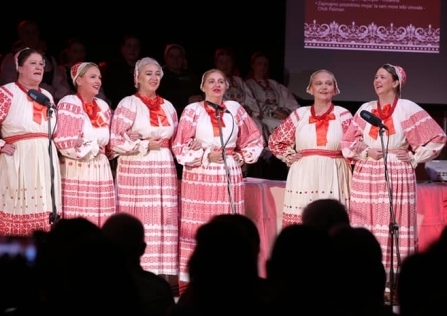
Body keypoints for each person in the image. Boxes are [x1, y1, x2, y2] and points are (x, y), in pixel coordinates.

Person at [341, 63, 446, 277]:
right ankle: (365, 275)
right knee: (365, 222)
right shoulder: (366, 109)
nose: (377, 81)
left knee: (393, 221)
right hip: (367, 170)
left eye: (382, 77)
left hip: (397, 170)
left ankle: (394, 278)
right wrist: (363, 152)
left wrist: (415, 156)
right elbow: (347, 142)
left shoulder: (407, 107)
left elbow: (437, 137)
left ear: (396, 82)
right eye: (376, 77)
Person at [171, 69, 264, 287]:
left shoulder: (235, 109)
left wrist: (241, 156)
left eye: (221, 81)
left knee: (227, 223)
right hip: (200, 172)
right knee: (200, 224)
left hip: (228, 172)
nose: (216, 85)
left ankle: (229, 274)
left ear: (227, 86)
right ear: (202, 87)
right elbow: (179, 146)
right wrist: (204, 154)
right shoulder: (192, 110)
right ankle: (193, 278)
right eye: (211, 81)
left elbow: (254, 138)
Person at [0, 47, 62, 235]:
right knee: (17, 208)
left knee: (45, 208)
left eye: (41, 64)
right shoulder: (6, 93)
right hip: (19, 158)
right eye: (33, 63)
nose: (39, 67)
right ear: (19, 68)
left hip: (45, 159)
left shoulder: (47, 96)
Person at [109, 57, 179, 276]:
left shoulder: (168, 106)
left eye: (158, 73)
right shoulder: (128, 104)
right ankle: (133, 270)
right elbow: (115, 141)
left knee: (162, 217)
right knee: (139, 215)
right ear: (137, 77)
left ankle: (159, 274)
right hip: (137, 166)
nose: (154, 78)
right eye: (148, 73)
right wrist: (142, 144)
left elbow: (176, 139)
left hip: (163, 167)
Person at [268, 69, 353, 227]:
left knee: (332, 218)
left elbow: (355, 143)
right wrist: (288, 155)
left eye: (329, 83)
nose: (324, 87)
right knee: (304, 219)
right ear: (311, 89)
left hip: (334, 171)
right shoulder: (300, 114)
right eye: (319, 83)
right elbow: (275, 141)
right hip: (304, 173)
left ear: (335, 89)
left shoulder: (343, 114)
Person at [53, 62, 115, 227]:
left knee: (99, 218)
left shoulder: (102, 106)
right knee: (79, 217)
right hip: (77, 168)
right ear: (79, 80)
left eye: (99, 77)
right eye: (93, 77)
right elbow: (65, 140)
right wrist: (92, 145)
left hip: (101, 168)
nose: (98, 81)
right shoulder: (69, 102)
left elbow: (109, 140)